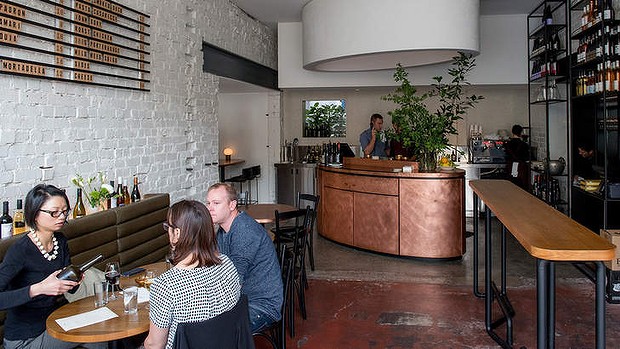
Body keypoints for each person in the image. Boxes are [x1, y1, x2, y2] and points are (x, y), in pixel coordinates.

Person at [0, 184, 105, 349]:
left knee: (103, 325)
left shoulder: (60, 241)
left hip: (53, 322)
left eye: (64, 211)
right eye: (54, 212)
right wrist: (39, 288)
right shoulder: (20, 250)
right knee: (98, 334)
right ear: (35, 214)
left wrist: (73, 283)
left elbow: (67, 289)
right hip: (25, 338)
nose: (61, 217)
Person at [144, 200, 241, 349]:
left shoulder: (166, 286)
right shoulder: (227, 264)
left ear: (176, 233)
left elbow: (155, 345)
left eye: (168, 227)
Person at [206, 183, 283, 333]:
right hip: (241, 300)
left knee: (211, 331)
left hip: (261, 306)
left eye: (216, 203)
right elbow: (213, 265)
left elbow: (233, 282)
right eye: (208, 203)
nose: (209, 208)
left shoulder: (244, 231)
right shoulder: (222, 231)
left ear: (232, 205)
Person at [504, 124, 530, 189]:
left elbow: (505, 155)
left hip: (510, 167)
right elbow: (527, 157)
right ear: (521, 133)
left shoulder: (507, 144)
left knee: (511, 186)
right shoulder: (524, 145)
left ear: (512, 132)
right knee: (521, 187)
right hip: (521, 168)